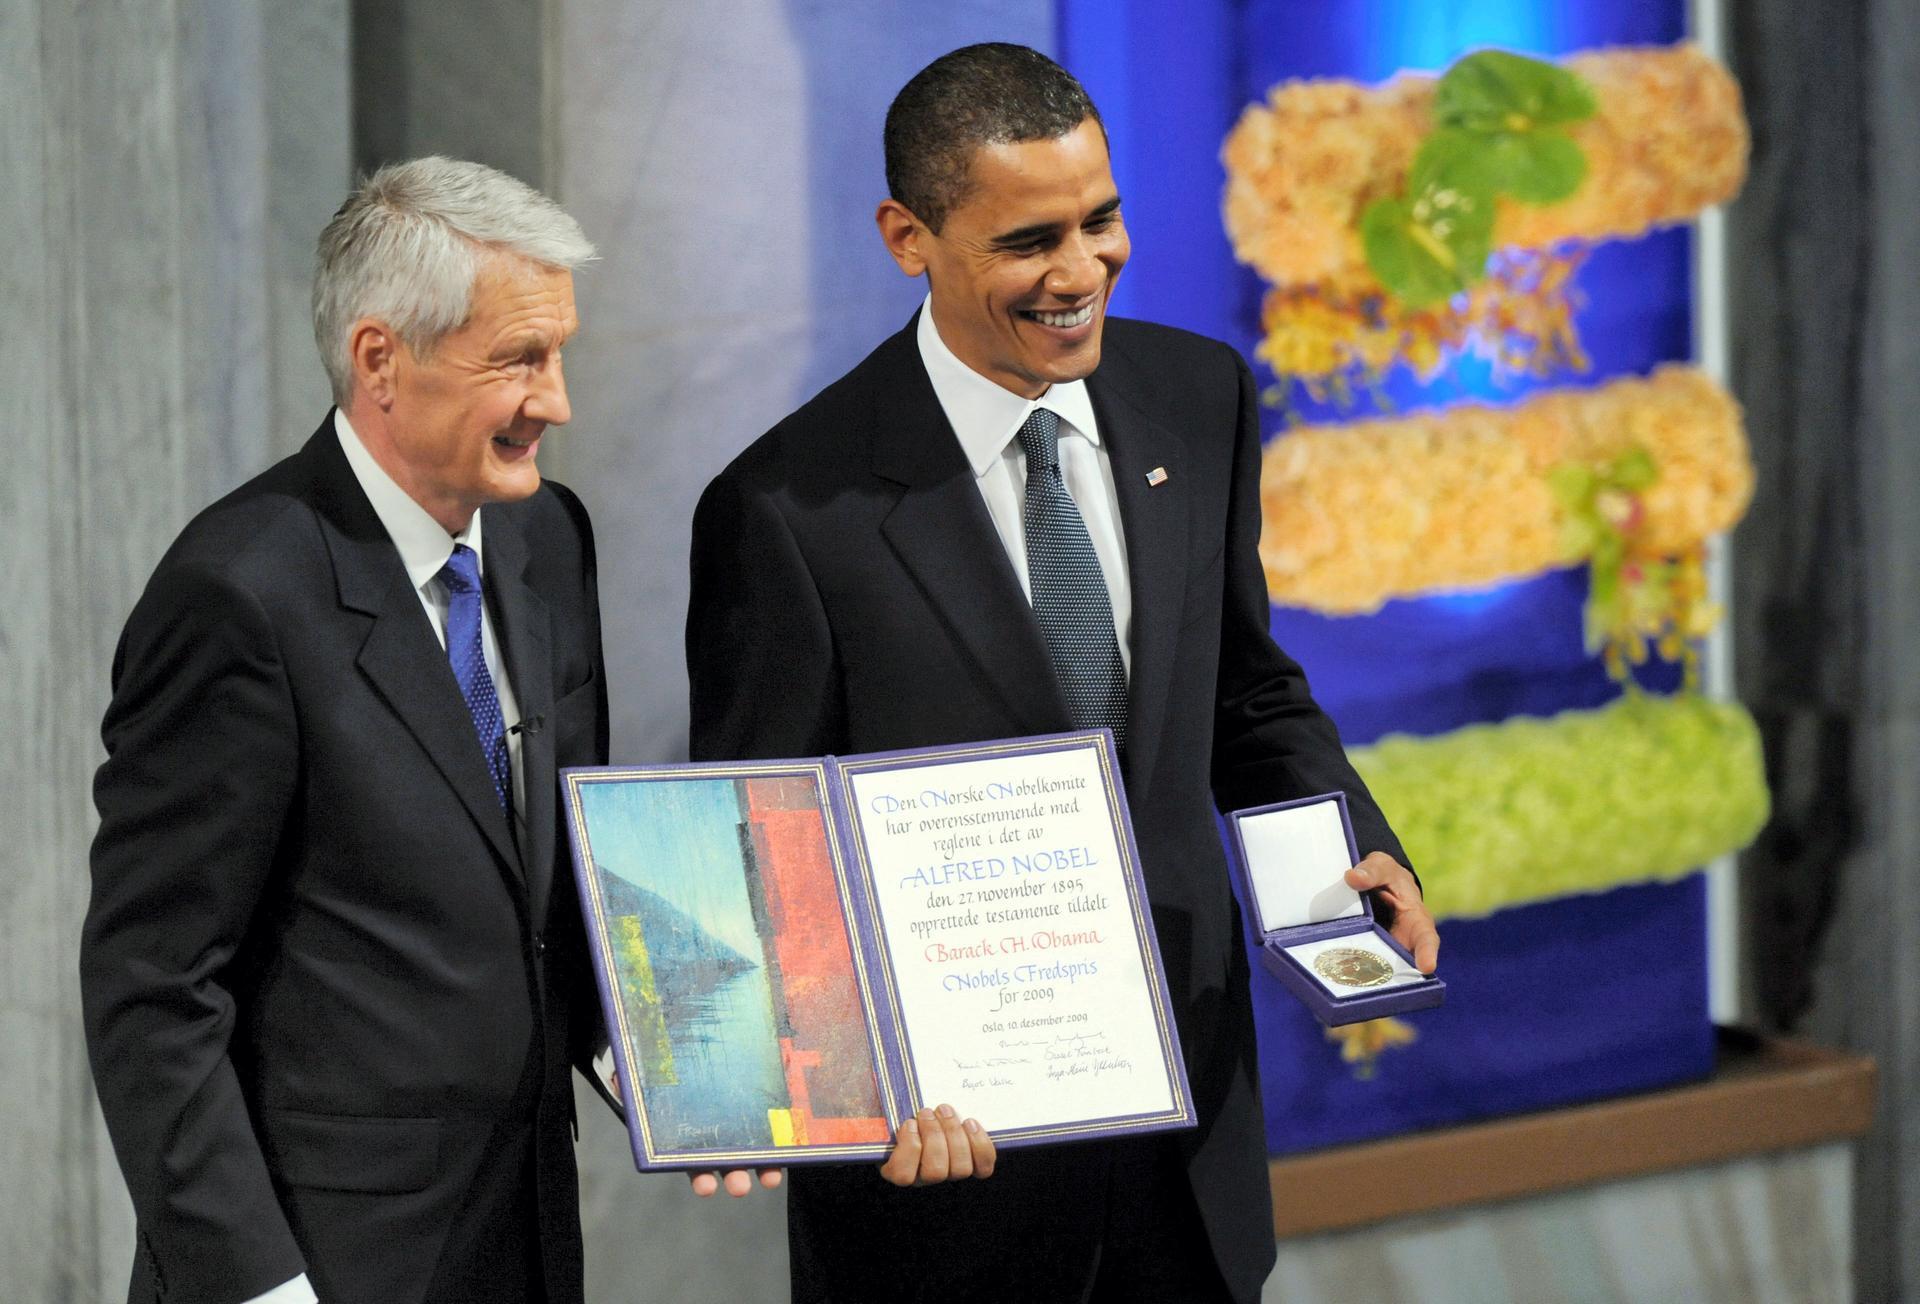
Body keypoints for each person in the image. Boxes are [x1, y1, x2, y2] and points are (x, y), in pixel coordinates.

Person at [685, 43, 1440, 1304]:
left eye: (1103, 219)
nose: (1082, 270)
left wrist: (1351, 857)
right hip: (946, 1200)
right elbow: (766, 854)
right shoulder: (786, 508)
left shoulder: (1198, 396)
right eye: (1031, 239)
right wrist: (860, 1083)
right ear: (907, 235)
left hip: (1188, 1157)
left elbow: (1245, 693)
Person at [81, 157, 609, 1304]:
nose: (556, 400)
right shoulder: (239, 594)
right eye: (520, 359)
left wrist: (696, 1071)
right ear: (382, 358)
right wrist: (261, 1286)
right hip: (326, 1263)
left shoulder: (545, 539)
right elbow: (154, 987)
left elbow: (563, 884)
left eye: (558, 352)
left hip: (523, 1242)